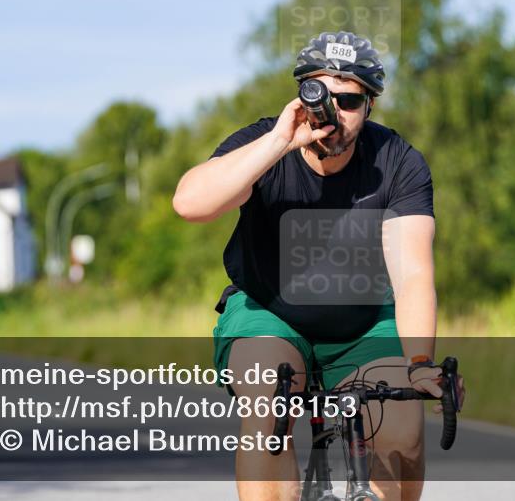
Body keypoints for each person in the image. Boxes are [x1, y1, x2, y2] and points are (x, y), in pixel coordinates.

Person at [174, 31, 465, 501]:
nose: (333, 113)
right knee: (268, 399)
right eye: (320, 96)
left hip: (363, 323)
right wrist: (279, 143)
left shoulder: (397, 162)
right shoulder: (264, 144)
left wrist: (418, 364)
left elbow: (412, 275)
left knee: (403, 426)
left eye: (348, 100)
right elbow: (190, 204)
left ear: (369, 105)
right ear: (300, 96)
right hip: (268, 312)